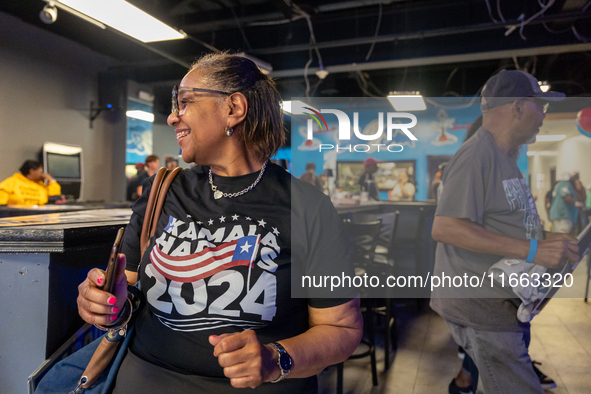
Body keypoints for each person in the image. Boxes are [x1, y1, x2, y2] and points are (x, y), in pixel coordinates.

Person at [76, 52, 362, 393]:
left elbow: (342, 330)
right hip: (146, 377)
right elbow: (130, 294)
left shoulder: (308, 207)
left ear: (233, 108)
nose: (172, 117)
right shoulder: (163, 190)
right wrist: (108, 305)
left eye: (184, 102)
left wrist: (275, 359)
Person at [430, 69, 580, 394]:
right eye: (540, 107)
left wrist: (552, 240)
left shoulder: (506, 156)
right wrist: (533, 251)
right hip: (480, 308)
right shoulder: (475, 156)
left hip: (505, 304)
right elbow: (445, 227)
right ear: (518, 107)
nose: (543, 116)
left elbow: (508, 224)